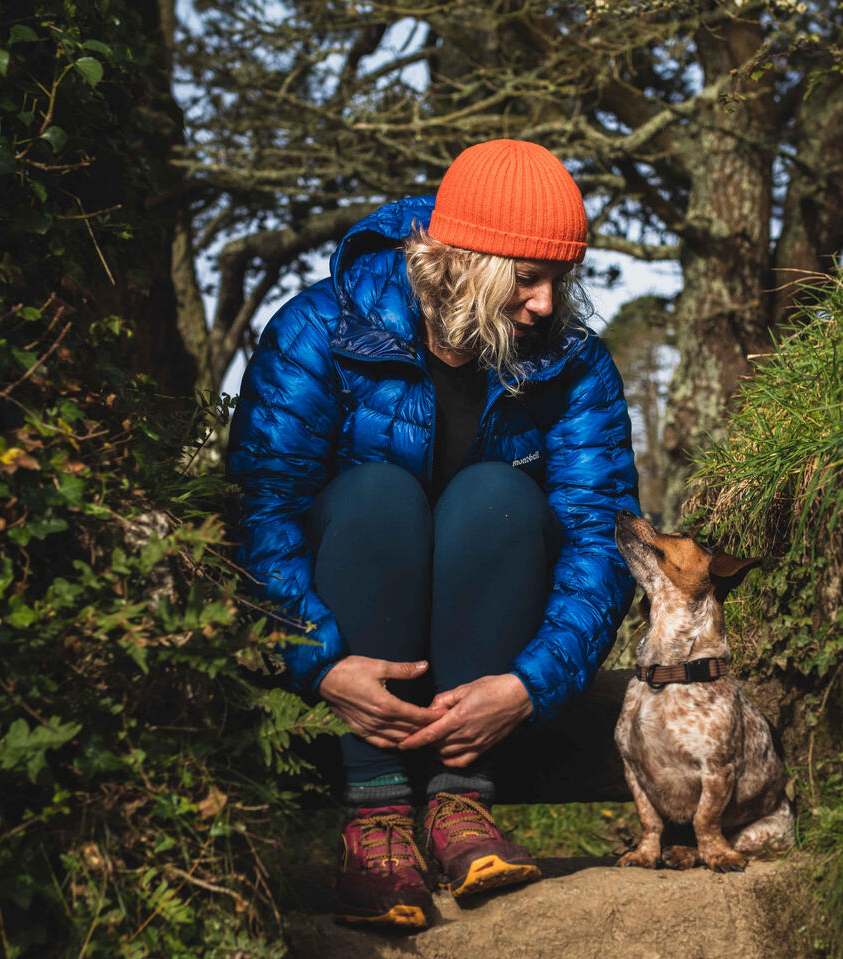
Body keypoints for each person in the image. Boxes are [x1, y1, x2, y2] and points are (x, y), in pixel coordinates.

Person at [227, 139, 640, 929]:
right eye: (527, 278)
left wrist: (527, 684)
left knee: (495, 495)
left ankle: (462, 803)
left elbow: (599, 541)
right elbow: (259, 516)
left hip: (487, 663)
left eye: (560, 279)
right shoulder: (318, 330)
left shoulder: (574, 364)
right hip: (349, 644)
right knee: (379, 492)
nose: (548, 304)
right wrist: (319, 661)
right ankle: (375, 813)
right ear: (463, 260)